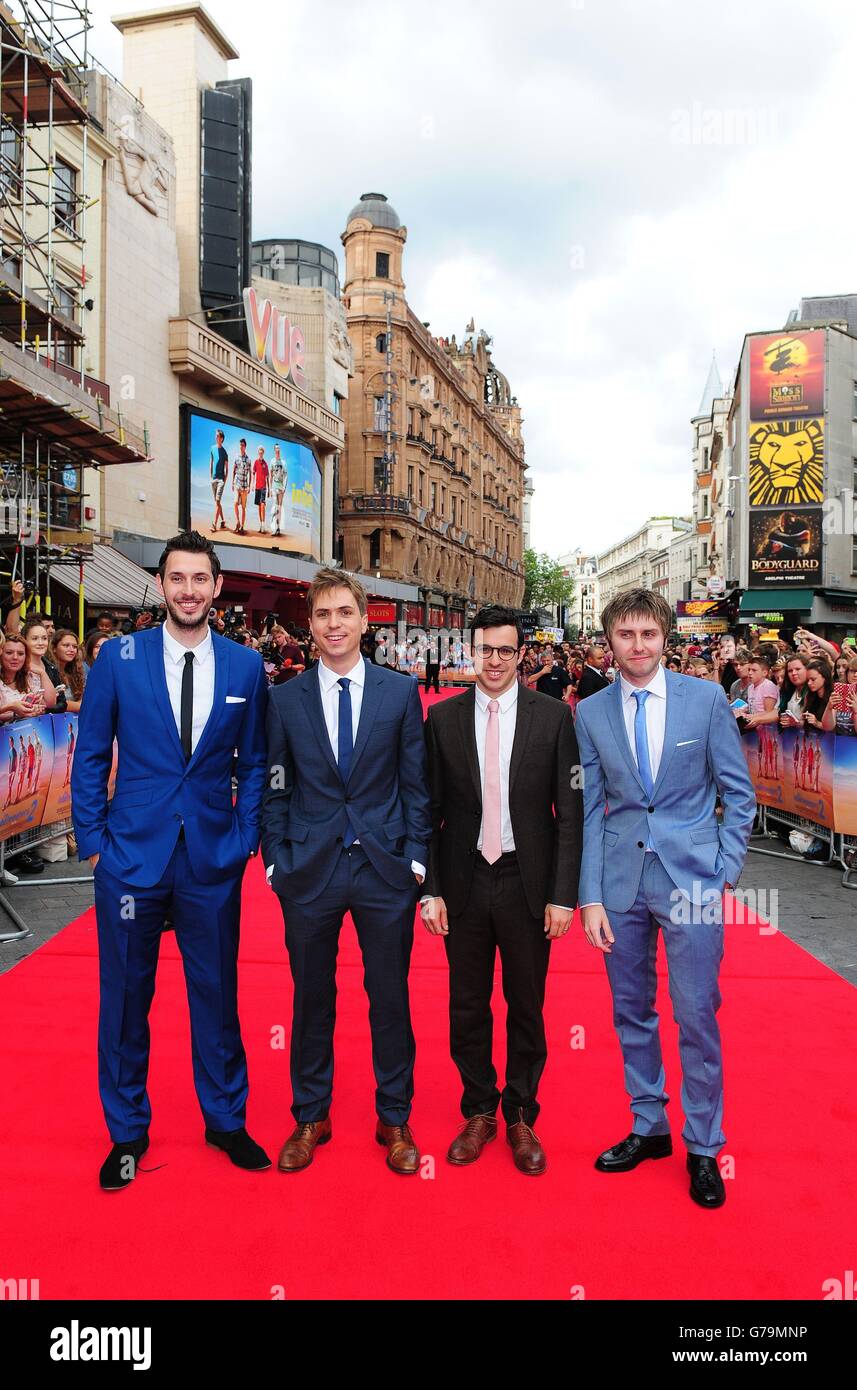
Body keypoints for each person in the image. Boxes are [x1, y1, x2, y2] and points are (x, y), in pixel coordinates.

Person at [71, 530, 270, 1191]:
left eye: (200, 579)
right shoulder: (119, 660)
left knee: (217, 996)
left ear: (216, 588)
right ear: (161, 586)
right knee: (126, 999)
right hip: (130, 858)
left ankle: (225, 1119)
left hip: (211, 860)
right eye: (177, 578)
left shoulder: (245, 667)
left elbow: (257, 761)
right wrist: (95, 845)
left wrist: (243, 838)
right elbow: (91, 754)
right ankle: (127, 1133)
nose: (188, 590)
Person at [575, 589, 755, 1210]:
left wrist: (725, 871)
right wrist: (589, 896)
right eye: (626, 635)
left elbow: (739, 791)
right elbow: (590, 810)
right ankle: (648, 1126)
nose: (638, 646)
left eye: (649, 634)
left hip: (693, 882)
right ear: (611, 640)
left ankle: (704, 1144)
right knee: (631, 1012)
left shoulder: (704, 701)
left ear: (665, 638)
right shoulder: (591, 711)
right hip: (621, 881)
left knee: (696, 1012)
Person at [262, 566, 431, 1177]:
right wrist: (275, 857)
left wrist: (416, 859)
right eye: (324, 615)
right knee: (312, 998)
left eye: (345, 613)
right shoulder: (283, 699)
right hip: (308, 870)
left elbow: (416, 786)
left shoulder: (398, 692)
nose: (335, 624)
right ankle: (311, 1114)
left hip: (385, 870)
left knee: (389, 996)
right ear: (311, 626)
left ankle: (395, 1115)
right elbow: (274, 784)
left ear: (365, 620)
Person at [421, 605, 582, 1175]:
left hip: (526, 882)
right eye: (485, 649)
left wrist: (563, 894)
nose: (494, 660)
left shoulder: (554, 719)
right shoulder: (442, 719)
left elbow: (570, 813)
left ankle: (520, 1113)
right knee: (466, 1004)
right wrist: (429, 888)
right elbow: (429, 812)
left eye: (505, 651)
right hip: (462, 880)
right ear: (472, 650)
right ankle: (478, 1109)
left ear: (522, 654)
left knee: (526, 1004)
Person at [51, 629, 86, 713]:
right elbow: (54, 703)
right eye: (66, 645)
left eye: (74, 647)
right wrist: (80, 706)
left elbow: (84, 699)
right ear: (54, 648)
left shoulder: (75, 672)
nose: (71, 650)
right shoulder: (49, 671)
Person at [803, 658, 835, 732]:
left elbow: (832, 727)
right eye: (808, 680)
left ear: (825, 678)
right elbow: (804, 722)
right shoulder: (809, 696)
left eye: (813, 679)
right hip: (811, 739)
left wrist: (816, 723)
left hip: (830, 740)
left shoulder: (833, 696)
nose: (809, 683)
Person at [209, 428, 229, 533]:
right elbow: (211, 462)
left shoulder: (225, 452)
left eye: (217, 436)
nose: (216, 437)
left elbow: (227, 469)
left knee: (217, 501)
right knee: (218, 502)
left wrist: (224, 482)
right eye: (215, 435)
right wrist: (210, 477)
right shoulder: (212, 448)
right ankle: (223, 521)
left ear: (221, 438)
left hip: (221, 480)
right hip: (213, 479)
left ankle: (214, 524)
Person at [232, 438, 252, 535]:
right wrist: (232, 482)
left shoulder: (248, 459)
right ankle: (237, 522)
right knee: (235, 503)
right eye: (240, 445)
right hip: (237, 484)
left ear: (245, 447)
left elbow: (250, 474)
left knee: (243, 507)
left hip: (244, 486)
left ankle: (242, 526)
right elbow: (234, 470)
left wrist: (249, 486)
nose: (241, 447)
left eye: (243, 445)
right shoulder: (236, 457)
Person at [270, 444, 287, 537]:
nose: (277, 450)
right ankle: (274, 527)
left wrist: (284, 487)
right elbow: (270, 474)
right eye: (276, 448)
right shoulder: (272, 461)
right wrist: (269, 487)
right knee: (275, 507)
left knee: (279, 508)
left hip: (281, 488)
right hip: (274, 487)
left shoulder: (283, 462)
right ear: (274, 450)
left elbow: (285, 475)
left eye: (279, 448)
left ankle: (278, 527)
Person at [253, 447, 269, 533]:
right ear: (258, 453)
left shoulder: (265, 464)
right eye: (259, 453)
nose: (260, 454)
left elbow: (267, 476)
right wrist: (252, 485)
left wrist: (269, 490)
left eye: (262, 453)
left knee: (262, 504)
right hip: (257, 487)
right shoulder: (255, 462)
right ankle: (261, 524)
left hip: (263, 487)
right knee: (259, 506)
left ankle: (263, 524)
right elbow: (253, 473)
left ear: (263, 453)